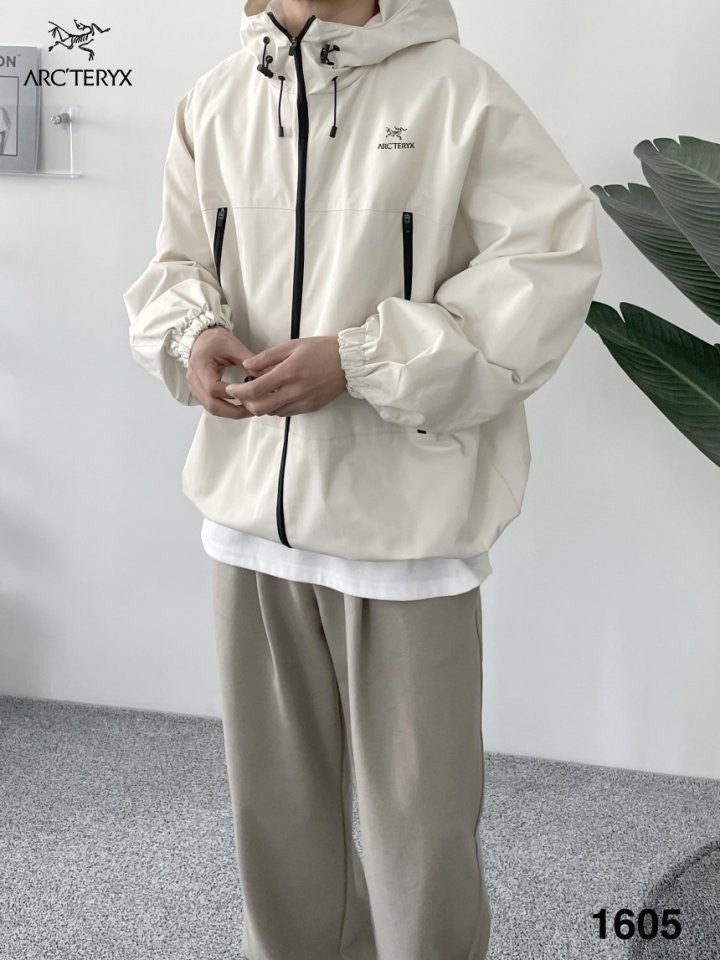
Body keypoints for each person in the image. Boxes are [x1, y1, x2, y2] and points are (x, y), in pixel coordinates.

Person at [123, 0, 603, 956]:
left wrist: (360, 360)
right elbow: (177, 262)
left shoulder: (458, 95)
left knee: (421, 827)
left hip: (404, 528)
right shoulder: (215, 102)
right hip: (249, 516)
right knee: (273, 810)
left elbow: (548, 264)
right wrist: (195, 334)